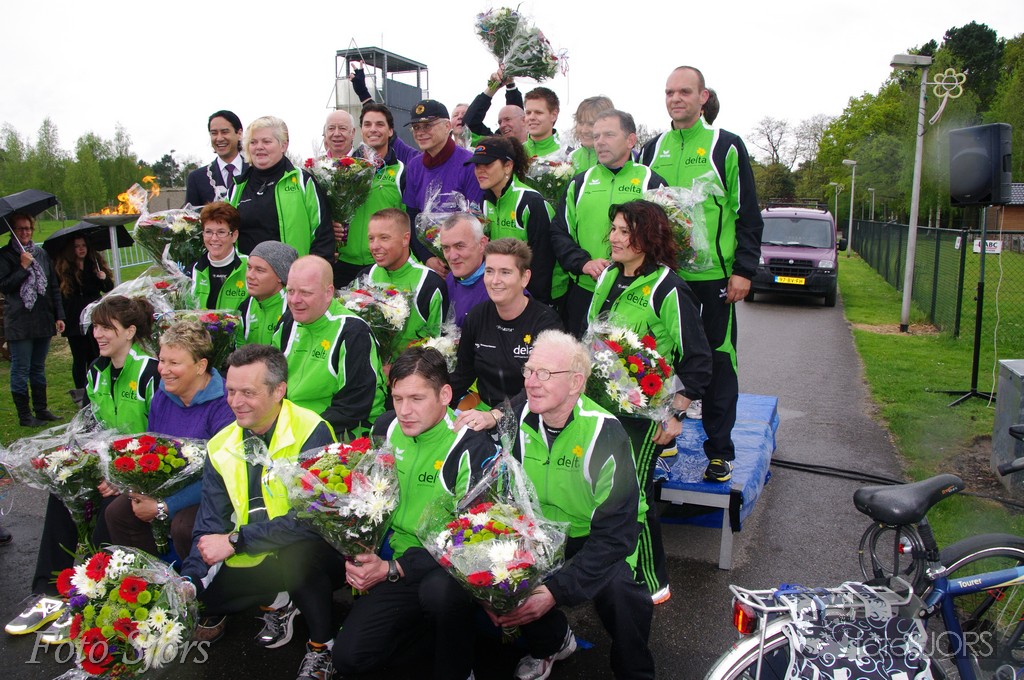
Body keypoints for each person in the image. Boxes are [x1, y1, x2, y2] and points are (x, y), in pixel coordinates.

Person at [458, 330, 655, 680]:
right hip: (541, 533)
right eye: (529, 371)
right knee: (490, 568)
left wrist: (555, 590)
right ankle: (553, 642)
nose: (531, 382)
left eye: (545, 373)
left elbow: (616, 534)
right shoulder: (517, 420)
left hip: (599, 535)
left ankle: (635, 670)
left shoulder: (604, 433)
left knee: (621, 594)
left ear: (576, 382)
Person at [180, 344, 344, 680]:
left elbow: (314, 518)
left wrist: (236, 541)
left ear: (278, 390)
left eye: (248, 393)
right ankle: (280, 598)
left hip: (312, 547)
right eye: (230, 391)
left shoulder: (311, 430)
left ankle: (323, 647)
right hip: (255, 548)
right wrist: (190, 581)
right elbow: (209, 524)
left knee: (297, 557)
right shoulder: (220, 445)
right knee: (204, 601)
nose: (235, 402)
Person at [332, 347, 493, 680]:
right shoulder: (386, 427)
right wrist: (359, 545)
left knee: (439, 594)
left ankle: (459, 666)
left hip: (444, 568)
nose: (404, 411)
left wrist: (394, 568)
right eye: (397, 398)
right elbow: (371, 497)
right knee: (349, 659)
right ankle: (429, 634)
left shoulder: (471, 447)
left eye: (417, 399)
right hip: (394, 558)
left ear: (445, 395)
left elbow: (471, 541)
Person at [640, 66, 763, 483]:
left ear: (703, 97)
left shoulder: (725, 144)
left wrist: (743, 269)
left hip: (713, 278)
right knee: (658, 356)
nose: (676, 99)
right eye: (669, 92)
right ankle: (663, 436)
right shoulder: (652, 149)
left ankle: (720, 450)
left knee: (717, 360)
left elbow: (748, 212)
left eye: (685, 92)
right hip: (662, 276)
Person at [588, 200, 713, 604]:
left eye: (624, 231)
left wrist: (676, 413)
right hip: (600, 407)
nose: (614, 238)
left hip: (645, 416)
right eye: (613, 229)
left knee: (634, 496)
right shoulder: (608, 276)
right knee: (603, 491)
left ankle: (649, 585)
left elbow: (698, 358)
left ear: (647, 237)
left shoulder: (667, 287)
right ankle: (610, 574)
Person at [105, 319, 234, 559]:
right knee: (118, 513)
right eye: (162, 360)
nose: (163, 370)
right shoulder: (163, 396)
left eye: (174, 363)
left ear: (200, 366)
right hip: (166, 486)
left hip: (213, 490)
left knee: (184, 526)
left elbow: (223, 475)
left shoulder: (224, 404)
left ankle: (192, 578)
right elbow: (151, 449)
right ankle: (148, 574)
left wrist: (164, 506)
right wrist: (139, 487)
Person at [551, 109, 667, 338]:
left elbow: (664, 239)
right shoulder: (579, 183)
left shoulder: (651, 182)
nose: (600, 142)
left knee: (626, 359)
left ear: (630, 140)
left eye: (609, 135)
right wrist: (583, 263)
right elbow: (559, 232)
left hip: (635, 295)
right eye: (596, 136)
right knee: (580, 357)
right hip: (586, 290)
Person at [274, 256, 385, 438]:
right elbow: (271, 380)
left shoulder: (352, 332)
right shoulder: (287, 322)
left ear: (328, 293)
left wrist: (303, 432)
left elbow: (354, 405)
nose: (294, 300)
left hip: (341, 431)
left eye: (305, 293)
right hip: (293, 425)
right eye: (290, 291)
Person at [450, 238, 561, 413]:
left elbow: (543, 386)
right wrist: (433, 398)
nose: (495, 280)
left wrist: (497, 415)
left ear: (525, 278)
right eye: (489, 271)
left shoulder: (546, 323)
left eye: (505, 272)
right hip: (483, 410)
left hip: (529, 412)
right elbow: (463, 374)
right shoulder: (476, 316)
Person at [229, 115, 335, 259]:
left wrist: (313, 269)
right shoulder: (237, 187)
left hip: (293, 271)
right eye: (253, 142)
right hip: (248, 272)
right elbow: (226, 236)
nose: (259, 147)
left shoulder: (303, 181)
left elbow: (322, 234)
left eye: (266, 141)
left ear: (283, 145)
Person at [470, 135, 558, 303]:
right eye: (477, 165)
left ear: (508, 166)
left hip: (537, 297)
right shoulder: (484, 202)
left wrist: (532, 304)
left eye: (487, 164)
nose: (480, 171)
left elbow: (543, 264)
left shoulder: (531, 203)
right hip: (507, 293)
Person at [401, 99, 484, 276]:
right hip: (431, 263)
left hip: (465, 261)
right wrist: (427, 257)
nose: (420, 133)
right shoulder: (414, 166)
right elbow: (412, 216)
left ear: (447, 126)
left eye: (427, 126)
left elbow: (477, 218)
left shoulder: (469, 163)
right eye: (416, 127)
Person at [333, 103, 411, 288]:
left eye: (380, 124)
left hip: (383, 264)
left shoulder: (402, 172)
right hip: (343, 264)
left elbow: (409, 220)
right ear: (361, 130)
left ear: (390, 131)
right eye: (367, 124)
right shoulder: (343, 169)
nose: (373, 129)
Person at [0, 212, 65, 426]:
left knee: (38, 367)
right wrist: (22, 267)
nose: (25, 232)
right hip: (20, 321)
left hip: (42, 318)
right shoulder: (5, 256)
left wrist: (59, 315)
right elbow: (5, 286)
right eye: (20, 228)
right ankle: (25, 416)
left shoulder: (41, 253)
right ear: (12, 231)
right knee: (21, 368)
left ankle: (41, 409)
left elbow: (53, 285)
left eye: (28, 228)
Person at [364, 209, 448, 363]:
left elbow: (438, 347)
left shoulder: (429, 283)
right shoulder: (366, 276)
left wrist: (398, 369)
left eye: (384, 238)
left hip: (412, 373)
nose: (375, 246)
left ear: (405, 239)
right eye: (371, 238)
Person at [86, 295, 160, 434]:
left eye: (106, 327)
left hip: (146, 448)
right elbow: (88, 422)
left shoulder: (151, 371)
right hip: (105, 447)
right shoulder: (96, 370)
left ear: (130, 332)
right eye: (95, 326)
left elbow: (163, 430)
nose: (96, 334)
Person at [52, 235, 114, 391]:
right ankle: (81, 390)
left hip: (94, 314)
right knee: (79, 356)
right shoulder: (64, 269)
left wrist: (103, 278)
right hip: (74, 317)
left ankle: (97, 387)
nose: (81, 249)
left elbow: (108, 288)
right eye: (77, 246)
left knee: (96, 353)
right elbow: (60, 294)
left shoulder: (94, 265)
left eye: (84, 245)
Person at [190, 201, 248, 311]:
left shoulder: (250, 267)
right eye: (208, 232)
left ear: (234, 235)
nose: (214, 238)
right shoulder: (194, 270)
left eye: (221, 232)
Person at [236, 241, 296, 346]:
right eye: (249, 267)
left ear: (280, 276)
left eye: (259, 270)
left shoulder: (294, 309)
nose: (250, 275)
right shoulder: (245, 306)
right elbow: (239, 350)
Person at [438, 212, 489, 327]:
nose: (452, 256)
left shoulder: (499, 287)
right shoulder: (450, 279)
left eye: (459, 246)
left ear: (482, 244)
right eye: (446, 248)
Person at [185, 110, 246, 206]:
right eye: (214, 133)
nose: (219, 138)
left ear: (239, 133)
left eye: (224, 132)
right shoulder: (197, 178)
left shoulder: (256, 171)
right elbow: (191, 214)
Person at [463, 67, 527, 144]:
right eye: (499, 122)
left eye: (507, 119)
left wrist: (511, 85)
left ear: (524, 120)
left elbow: (516, 111)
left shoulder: (538, 137)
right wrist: (492, 88)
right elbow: (469, 126)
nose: (502, 125)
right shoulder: (497, 146)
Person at [570, 96, 615, 174]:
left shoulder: (619, 158)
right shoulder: (572, 157)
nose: (584, 130)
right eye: (580, 123)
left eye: (591, 124)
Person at [523, 87, 562, 159]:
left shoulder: (566, 153)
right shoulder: (515, 153)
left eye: (538, 112)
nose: (531, 117)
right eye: (528, 113)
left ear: (553, 115)